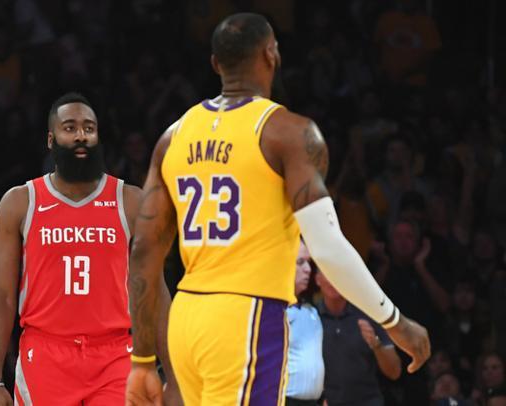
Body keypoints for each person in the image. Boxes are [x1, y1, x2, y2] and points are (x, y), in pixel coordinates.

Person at [125, 12, 430, 406]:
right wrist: (394, 320)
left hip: (186, 318)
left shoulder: (173, 136)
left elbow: (143, 252)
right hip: (246, 316)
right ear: (271, 54)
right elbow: (327, 247)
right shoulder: (288, 132)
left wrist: (143, 360)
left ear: (216, 64)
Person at [0, 92, 148, 405]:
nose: (81, 135)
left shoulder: (130, 200)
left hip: (114, 354)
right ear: (51, 139)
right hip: (46, 353)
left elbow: (151, 289)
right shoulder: (20, 202)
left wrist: (161, 366)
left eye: (89, 128)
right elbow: (1, 295)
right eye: (70, 127)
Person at [317, 271, 402, 406]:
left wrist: (376, 344)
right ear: (317, 279)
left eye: (338, 273)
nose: (333, 279)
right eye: (327, 272)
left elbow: (394, 372)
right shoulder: (311, 316)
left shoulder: (369, 313)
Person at [285, 241, 324, 405]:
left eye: (308, 262)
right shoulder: (274, 312)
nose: (308, 269)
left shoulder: (312, 311)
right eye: (300, 262)